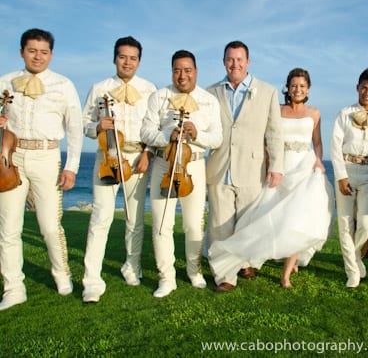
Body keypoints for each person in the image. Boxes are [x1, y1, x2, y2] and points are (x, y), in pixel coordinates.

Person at [208, 68, 333, 288]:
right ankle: (238, 257)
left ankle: (285, 274)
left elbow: (318, 142)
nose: (297, 89)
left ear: (308, 89)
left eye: (302, 86)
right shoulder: (277, 109)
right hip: (280, 168)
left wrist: (318, 160)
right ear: (288, 87)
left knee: (296, 220)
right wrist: (269, 164)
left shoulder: (314, 113)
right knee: (268, 218)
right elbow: (268, 138)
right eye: (294, 85)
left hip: (303, 169)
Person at [0, 28, 83, 310]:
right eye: (32, 50)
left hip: (47, 157)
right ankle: (14, 288)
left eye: (43, 52)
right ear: (22, 51)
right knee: (9, 228)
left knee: (49, 226)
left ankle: (62, 275)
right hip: (11, 157)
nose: (38, 56)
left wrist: (71, 167)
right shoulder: (5, 82)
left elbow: (74, 129)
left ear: (51, 54)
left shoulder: (63, 84)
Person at [80, 36, 157, 303]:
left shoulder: (149, 89)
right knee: (100, 218)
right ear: (115, 58)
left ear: (139, 61)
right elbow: (84, 124)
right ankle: (91, 279)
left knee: (135, 220)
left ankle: (131, 266)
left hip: (137, 159)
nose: (128, 62)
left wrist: (148, 153)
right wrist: (97, 127)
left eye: (133, 58)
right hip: (108, 157)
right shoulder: (99, 87)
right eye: (123, 56)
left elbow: (154, 126)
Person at [141, 50, 222, 298]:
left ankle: (194, 271)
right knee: (162, 224)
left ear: (196, 72)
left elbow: (217, 139)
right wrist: (168, 136)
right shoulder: (159, 96)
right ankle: (166, 278)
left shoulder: (209, 101)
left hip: (194, 165)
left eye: (187, 70)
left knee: (193, 225)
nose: (182, 75)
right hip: (165, 165)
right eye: (177, 70)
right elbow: (145, 132)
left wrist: (197, 134)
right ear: (172, 72)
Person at [206, 41, 284, 292]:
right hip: (219, 167)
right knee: (220, 225)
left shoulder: (267, 91)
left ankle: (245, 261)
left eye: (239, 59)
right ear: (223, 62)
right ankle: (225, 276)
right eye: (230, 59)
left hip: (252, 167)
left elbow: (274, 133)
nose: (234, 64)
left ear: (248, 62)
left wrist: (276, 166)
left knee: (247, 223)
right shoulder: (211, 92)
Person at [330, 67, 368, 288]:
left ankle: (354, 256)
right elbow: (335, 147)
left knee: (365, 224)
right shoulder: (344, 113)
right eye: (364, 87)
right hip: (347, 169)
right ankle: (352, 271)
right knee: (345, 223)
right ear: (357, 88)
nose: (367, 92)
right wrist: (341, 177)